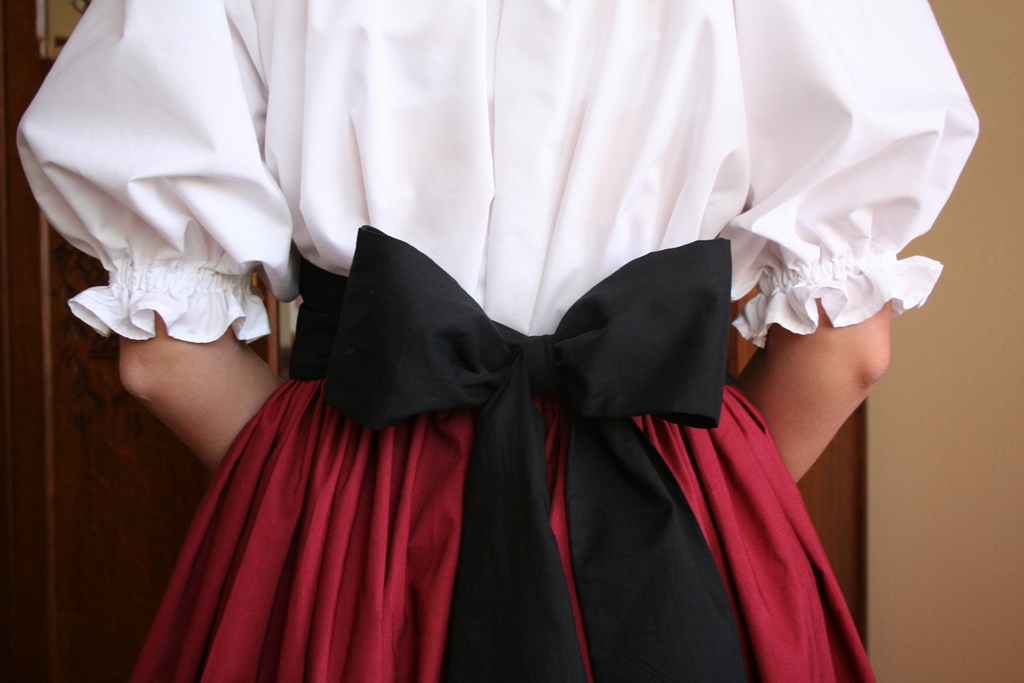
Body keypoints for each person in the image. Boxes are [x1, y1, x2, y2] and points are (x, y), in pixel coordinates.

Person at [18, 0, 977, 680]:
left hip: (361, 524)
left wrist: (321, 498)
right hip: (665, 508)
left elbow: (160, 359)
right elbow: (851, 347)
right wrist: (710, 500)